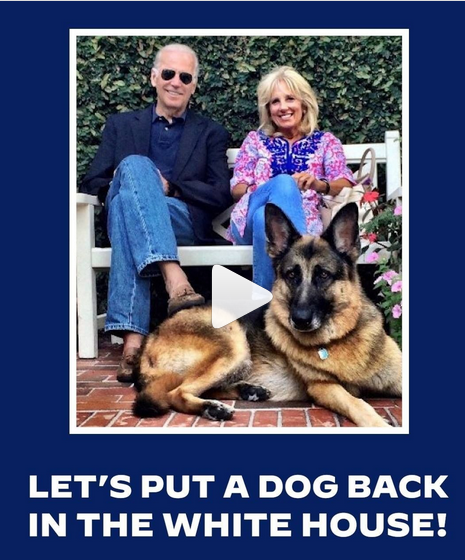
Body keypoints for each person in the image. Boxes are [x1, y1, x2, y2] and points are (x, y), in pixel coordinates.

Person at [80, 43, 231, 380]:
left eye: (185, 76)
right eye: (168, 73)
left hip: (182, 219)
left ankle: (132, 343)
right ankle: (175, 279)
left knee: (126, 204)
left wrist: (170, 189)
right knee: (130, 179)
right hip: (131, 215)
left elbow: (220, 192)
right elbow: (93, 181)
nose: (175, 81)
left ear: (193, 85)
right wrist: (134, 187)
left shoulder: (210, 133)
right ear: (153, 77)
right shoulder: (121, 126)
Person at [227, 66, 355, 291]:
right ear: (268, 109)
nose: (283, 107)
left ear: (303, 103)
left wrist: (318, 184)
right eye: (275, 102)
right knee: (279, 189)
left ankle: (265, 311)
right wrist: (271, 187)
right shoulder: (255, 141)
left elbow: (342, 181)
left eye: (290, 99)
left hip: (302, 224)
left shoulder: (325, 141)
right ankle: (297, 257)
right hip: (246, 218)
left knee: (261, 220)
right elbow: (237, 189)